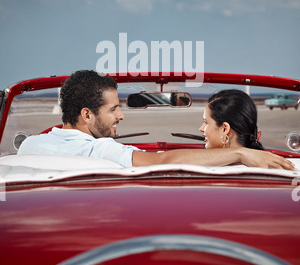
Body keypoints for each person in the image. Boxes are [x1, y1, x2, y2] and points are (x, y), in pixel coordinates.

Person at [19, 70, 294, 170]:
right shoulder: (101, 150)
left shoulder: (29, 146)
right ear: (87, 115)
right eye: (113, 109)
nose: (121, 115)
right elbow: (163, 160)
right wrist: (242, 153)